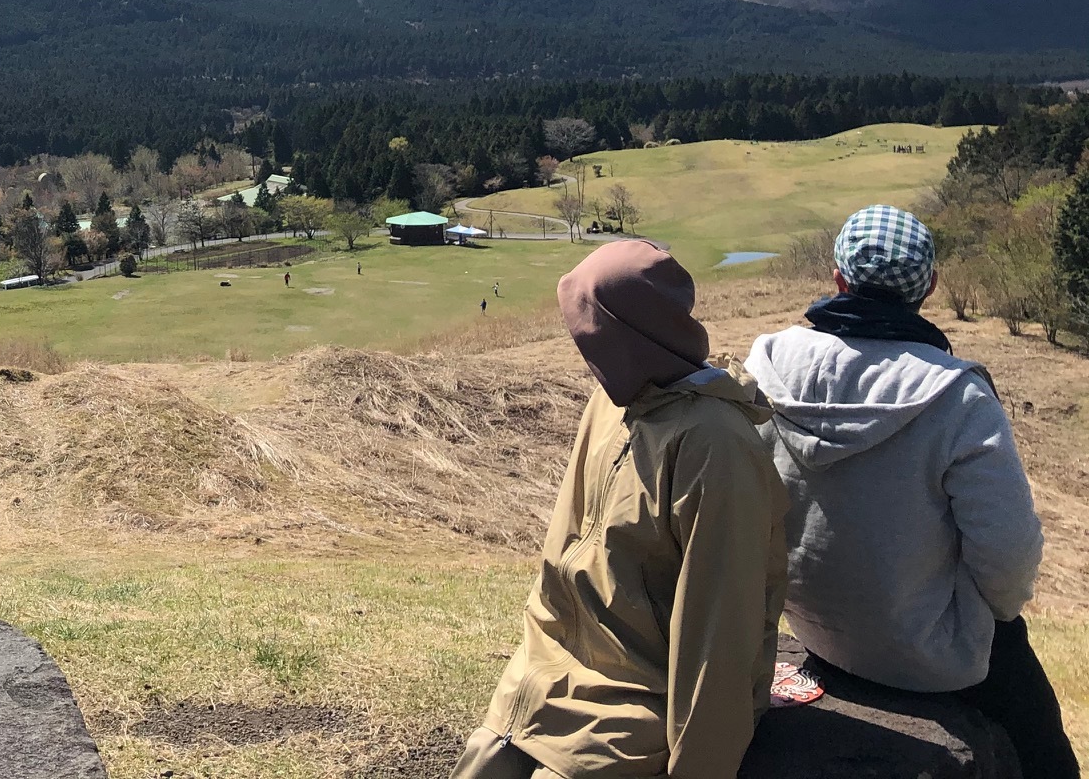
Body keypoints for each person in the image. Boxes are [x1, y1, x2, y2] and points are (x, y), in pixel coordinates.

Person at [742, 205, 1077, 778]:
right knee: (1045, 748)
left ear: (837, 278)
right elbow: (1009, 553)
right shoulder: (959, 397)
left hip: (813, 628)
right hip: (932, 656)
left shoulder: (768, 363)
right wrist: (986, 616)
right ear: (930, 287)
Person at [453, 240, 788, 779]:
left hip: (639, 699)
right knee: (481, 766)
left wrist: (702, 766)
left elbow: (722, 629)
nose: (582, 350)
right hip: (548, 671)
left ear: (632, 337)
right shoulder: (613, 403)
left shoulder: (716, 446)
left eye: (590, 335)